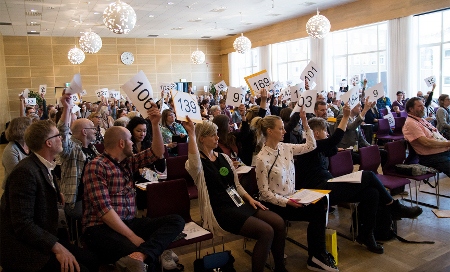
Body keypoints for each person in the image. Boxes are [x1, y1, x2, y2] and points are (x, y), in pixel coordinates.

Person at [297, 104, 422, 254]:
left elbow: (333, 148)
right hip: (317, 191)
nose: (327, 134)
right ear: (316, 134)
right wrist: (344, 117)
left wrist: (334, 145)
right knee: (368, 175)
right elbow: (335, 140)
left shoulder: (320, 147)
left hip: (329, 185)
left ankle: (366, 234)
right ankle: (393, 206)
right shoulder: (307, 147)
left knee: (372, 193)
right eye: (325, 131)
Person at [82, 104, 185, 272]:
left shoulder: (127, 161)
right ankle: (148, 255)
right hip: (100, 228)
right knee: (140, 262)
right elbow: (105, 211)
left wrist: (155, 124)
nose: (135, 142)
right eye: (130, 140)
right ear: (122, 143)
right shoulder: (97, 166)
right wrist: (132, 237)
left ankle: (146, 253)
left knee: (176, 221)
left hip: (128, 221)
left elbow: (157, 152)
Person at [184, 117, 288, 272]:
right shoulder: (195, 164)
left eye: (217, 134)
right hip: (220, 210)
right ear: (202, 138)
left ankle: (279, 267)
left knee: (279, 223)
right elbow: (194, 162)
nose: (217, 138)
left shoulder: (224, 157)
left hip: (237, 203)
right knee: (266, 231)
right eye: (213, 135)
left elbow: (236, 185)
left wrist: (250, 199)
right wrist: (191, 134)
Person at [1, 120, 98, 272]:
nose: (62, 138)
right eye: (58, 135)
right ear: (48, 143)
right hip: (23, 248)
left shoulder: (44, 165)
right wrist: (57, 248)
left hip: (42, 235)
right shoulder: (25, 172)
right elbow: (22, 224)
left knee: (91, 260)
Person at [254, 111, 339, 272]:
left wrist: (306, 123)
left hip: (292, 197)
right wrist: (287, 202)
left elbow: (311, 146)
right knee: (316, 211)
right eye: (281, 129)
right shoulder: (261, 158)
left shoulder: (286, 147)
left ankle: (316, 255)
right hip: (276, 204)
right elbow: (264, 193)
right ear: (270, 131)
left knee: (320, 203)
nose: (285, 131)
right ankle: (316, 255)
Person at [58, 93, 99, 219]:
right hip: (77, 200)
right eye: (93, 128)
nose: (95, 130)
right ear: (84, 132)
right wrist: (66, 108)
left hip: (94, 196)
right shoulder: (71, 149)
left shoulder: (92, 148)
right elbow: (63, 132)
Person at [403, 97, 450, 177]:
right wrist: (447, 144)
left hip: (442, 152)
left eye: (423, 105)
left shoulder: (421, 120)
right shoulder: (411, 123)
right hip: (431, 157)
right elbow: (426, 142)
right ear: (411, 109)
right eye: (420, 106)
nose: (423, 107)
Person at [1, 116, 31, 189]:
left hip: (28, 183)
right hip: (15, 188)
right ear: (23, 130)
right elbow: (16, 175)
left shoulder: (29, 144)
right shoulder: (10, 150)